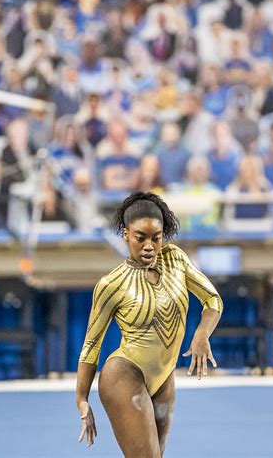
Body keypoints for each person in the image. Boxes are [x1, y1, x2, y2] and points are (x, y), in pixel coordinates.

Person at [76, 191, 223, 455]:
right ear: (125, 235)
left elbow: (212, 300)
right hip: (124, 374)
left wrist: (202, 334)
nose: (149, 246)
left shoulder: (175, 259)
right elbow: (91, 345)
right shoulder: (111, 284)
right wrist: (82, 399)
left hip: (164, 378)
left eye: (156, 238)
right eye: (140, 238)